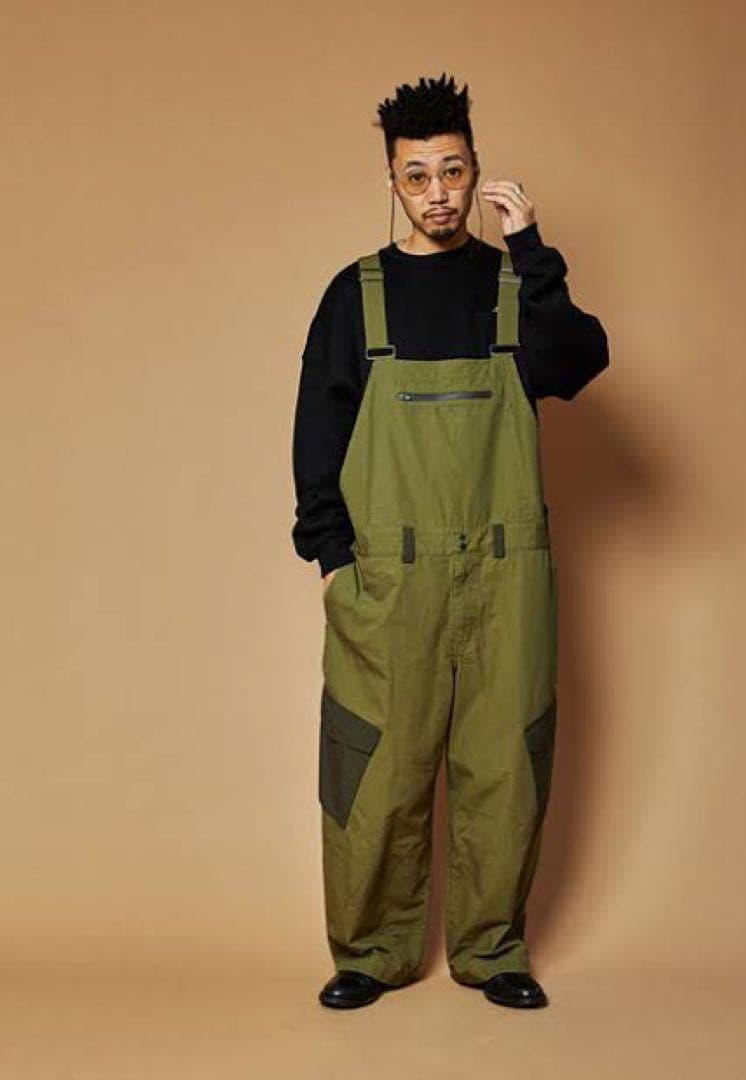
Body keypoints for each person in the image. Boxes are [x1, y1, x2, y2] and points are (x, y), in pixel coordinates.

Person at [291, 73, 609, 1010]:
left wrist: (534, 250)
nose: (437, 193)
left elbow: (578, 364)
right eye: (417, 176)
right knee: (377, 761)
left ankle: (493, 950)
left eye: (454, 171)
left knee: (506, 759)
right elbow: (317, 432)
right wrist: (333, 557)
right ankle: (370, 953)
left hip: (509, 573)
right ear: (392, 182)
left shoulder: (514, 283)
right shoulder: (355, 296)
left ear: (478, 173)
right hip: (391, 575)